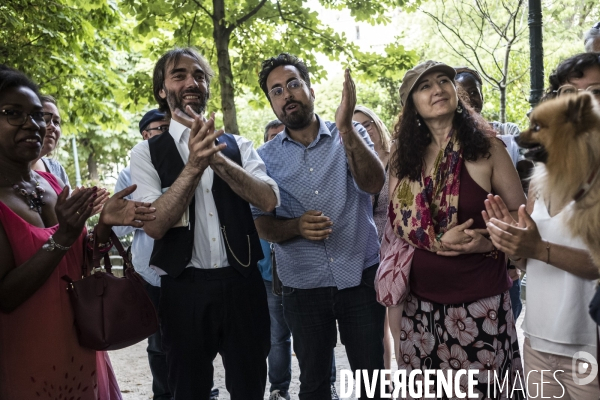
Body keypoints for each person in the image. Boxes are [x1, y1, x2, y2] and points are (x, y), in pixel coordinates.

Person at [129, 47, 279, 400]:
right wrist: (195, 164)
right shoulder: (145, 153)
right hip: (183, 290)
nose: (191, 82)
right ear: (162, 90)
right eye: (178, 75)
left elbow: (269, 201)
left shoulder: (239, 145)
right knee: (188, 391)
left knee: (250, 387)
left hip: (243, 284)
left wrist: (220, 161)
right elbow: (155, 225)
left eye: (198, 75)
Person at [0, 65, 156, 399]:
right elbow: (5, 295)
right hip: (27, 355)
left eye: (37, 116)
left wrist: (102, 227)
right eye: (13, 114)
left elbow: (78, 262)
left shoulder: (52, 183)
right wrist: (62, 238)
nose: (33, 125)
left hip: (81, 345)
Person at [387, 60, 525, 398]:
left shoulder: (488, 148)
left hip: (482, 306)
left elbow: (520, 219)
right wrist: (436, 242)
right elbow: (401, 221)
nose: (437, 89)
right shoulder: (403, 157)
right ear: (412, 105)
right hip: (420, 309)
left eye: (443, 80)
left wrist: (485, 242)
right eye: (425, 86)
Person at [253, 53, 386, 400]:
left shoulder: (352, 133)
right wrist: (295, 226)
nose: (287, 95)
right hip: (302, 287)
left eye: (293, 84)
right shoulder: (264, 158)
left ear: (310, 90)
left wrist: (345, 129)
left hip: (360, 276)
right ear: (272, 103)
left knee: (371, 381)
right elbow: (261, 224)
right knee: (313, 384)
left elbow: (373, 184)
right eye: (277, 91)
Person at [484, 52, 600, 398]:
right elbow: (528, 261)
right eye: (568, 92)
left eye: (595, 92)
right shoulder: (540, 175)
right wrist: (513, 244)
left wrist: (539, 248)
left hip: (590, 348)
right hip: (537, 340)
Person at [258, 119, 339, 400]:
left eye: (284, 135)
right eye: (274, 137)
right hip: (272, 275)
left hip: (314, 270)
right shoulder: (261, 166)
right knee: (278, 337)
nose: (281, 140)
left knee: (321, 341)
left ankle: (329, 382)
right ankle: (279, 388)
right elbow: (260, 225)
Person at [454, 66, 525, 321]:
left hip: (505, 255)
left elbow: (522, 199)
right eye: (461, 94)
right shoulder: (439, 146)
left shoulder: (507, 135)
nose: (470, 99)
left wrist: (511, 255)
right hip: (465, 258)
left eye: (474, 91)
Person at [113, 109, 174, 400]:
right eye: (157, 128)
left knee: (194, 336)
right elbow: (120, 225)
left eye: (168, 127)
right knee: (158, 341)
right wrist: (149, 216)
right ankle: (162, 394)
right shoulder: (128, 175)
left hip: (188, 269)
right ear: (145, 135)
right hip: (149, 271)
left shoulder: (185, 166)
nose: (164, 132)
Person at [352, 106, 394, 371]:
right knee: (378, 324)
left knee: (402, 318)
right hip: (367, 248)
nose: (364, 130)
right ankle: (387, 378)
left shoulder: (399, 156)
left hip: (398, 245)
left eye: (367, 124)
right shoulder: (353, 163)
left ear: (378, 125)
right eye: (356, 126)